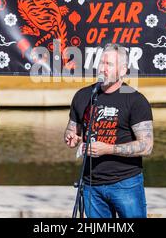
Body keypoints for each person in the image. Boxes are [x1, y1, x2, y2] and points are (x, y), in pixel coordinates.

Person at [64, 43, 154, 218]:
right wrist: (71, 137)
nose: (102, 68)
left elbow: (147, 146)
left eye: (109, 64)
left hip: (125, 183)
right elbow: (72, 129)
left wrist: (108, 149)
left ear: (123, 70)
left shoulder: (136, 100)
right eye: (101, 62)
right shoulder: (84, 96)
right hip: (91, 184)